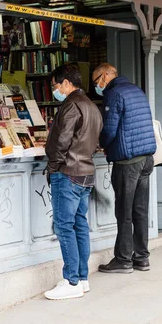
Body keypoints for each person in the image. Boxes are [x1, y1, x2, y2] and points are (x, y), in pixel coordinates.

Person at [44, 64, 103, 300]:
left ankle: (71, 280)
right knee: (79, 224)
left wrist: (52, 166)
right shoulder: (91, 106)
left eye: (56, 85)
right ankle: (82, 277)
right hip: (85, 172)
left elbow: (61, 141)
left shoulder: (70, 105)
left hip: (68, 173)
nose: (55, 90)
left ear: (67, 83)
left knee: (64, 226)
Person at [92, 63, 156, 274]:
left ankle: (123, 259)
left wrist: (101, 143)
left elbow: (110, 128)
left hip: (127, 161)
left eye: (97, 81)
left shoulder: (114, 94)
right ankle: (142, 257)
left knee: (124, 211)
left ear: (106, 76)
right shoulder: (137, 90)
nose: (97, 86)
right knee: (140, 210)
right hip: (146, 158)